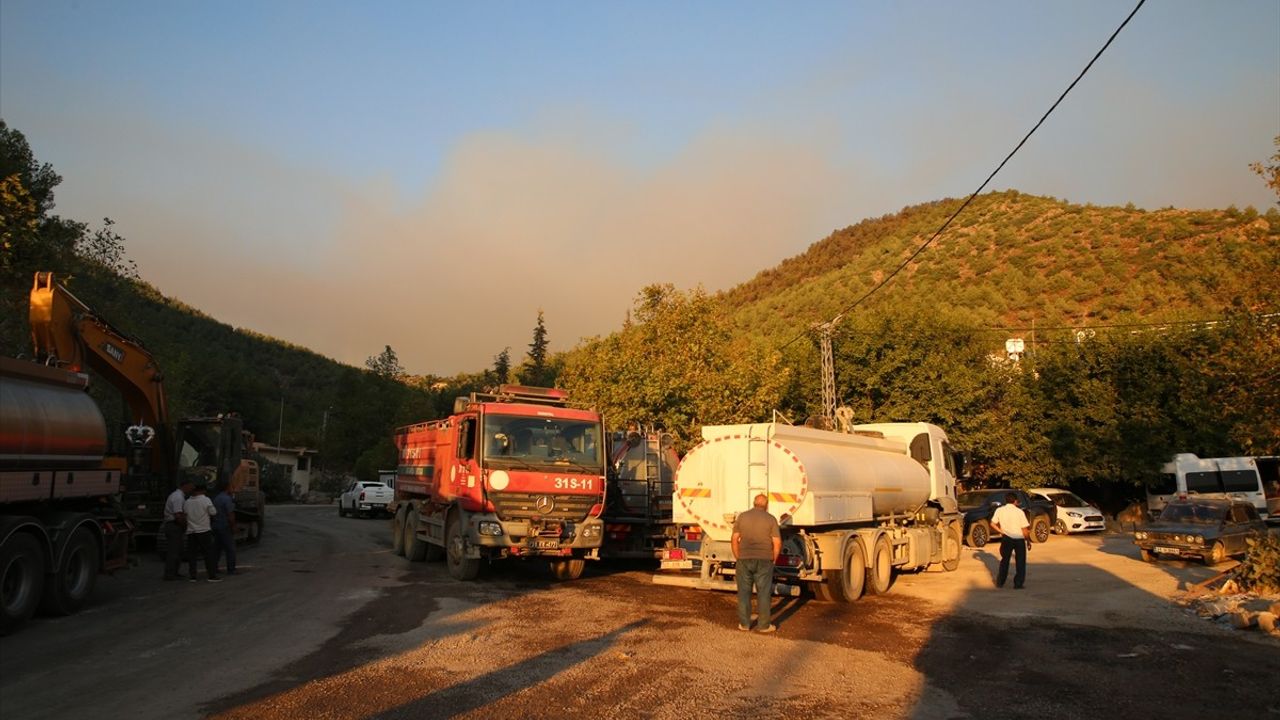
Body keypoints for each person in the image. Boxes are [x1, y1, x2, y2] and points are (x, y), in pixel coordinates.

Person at [731, 493, 782, 633]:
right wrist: (774, 559)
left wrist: (738, 556)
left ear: (754, 503)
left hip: (744, 559)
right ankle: (764, 626)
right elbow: (777, 542)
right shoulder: (771, 519)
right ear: (766, 505)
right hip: (765, 560)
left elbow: (734, 538)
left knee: (743, 593)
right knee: (764, 593)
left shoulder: (742, 517)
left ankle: (744, 624)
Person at [991, 492, 1031, 589]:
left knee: (1005, 560)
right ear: (1015, 501)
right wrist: (1028, 540)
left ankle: (1000, 582)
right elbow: (1024, 529)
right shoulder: (1019, 512)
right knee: (1020, 562)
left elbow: (992, 523)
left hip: (1006, 538)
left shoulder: (999, 510)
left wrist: (1001, 532)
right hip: (1019, 539)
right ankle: (1018, 583)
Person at [183, 482, 221, 583]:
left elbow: (185, 515)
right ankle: (211, 575)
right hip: (204, 530)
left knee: (192, 555)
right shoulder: (206, 500)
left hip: (191, 531)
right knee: (208, 554)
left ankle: (193, 576)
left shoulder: (187, 502)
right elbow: (213, 512)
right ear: (203, 490)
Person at [162, 480, 194, 581]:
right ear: (186, 485)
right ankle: (170, 574)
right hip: (174, 526)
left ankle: (174, 572)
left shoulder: (178, 496)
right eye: (191, 486)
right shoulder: (178, 497)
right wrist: (185, 526)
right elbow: (178, 515)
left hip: (174, 525)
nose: (192, 489)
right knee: (174, 551)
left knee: (178, 550)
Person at [211, 482, 237, 576]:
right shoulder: (227, 499)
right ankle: (231, 569)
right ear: (227, 488)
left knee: (217, 548)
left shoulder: (216, 498)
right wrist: (233, 526)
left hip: (216, 526)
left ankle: (214, 568)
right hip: (225, 526)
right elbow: (230, 515)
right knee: (230, 549)